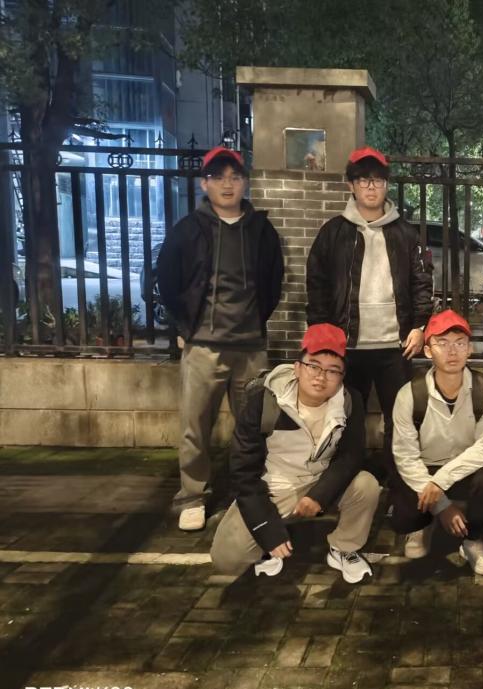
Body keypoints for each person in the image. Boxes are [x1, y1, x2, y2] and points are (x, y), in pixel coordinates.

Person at [156, 146, 284, 532]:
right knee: (196, 425)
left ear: (245, 182)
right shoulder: (188, 230)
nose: (227, 184)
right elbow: (167, 281)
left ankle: (250, 491)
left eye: (235, 177)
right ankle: (192, 496)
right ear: (204, 183)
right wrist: (185, 327)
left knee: (255, 425)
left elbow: (273, 280)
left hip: (250, 346)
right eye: (218, 177)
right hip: (204, 345)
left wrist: (256, 321)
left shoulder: (261, 230)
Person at [210, 323, 380, 583]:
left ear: (342, 376)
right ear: (297, 368)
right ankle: (269, 547)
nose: (321, 377)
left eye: (332, 370)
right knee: (227, 559)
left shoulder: (349, 400)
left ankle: (343, 547)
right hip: (275, 486)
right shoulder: (264, 400)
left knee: (366, 485)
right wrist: (267, 529)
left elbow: (351, 456)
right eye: (314, 366)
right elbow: (243, 471)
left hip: (321, 479)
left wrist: (319, 495)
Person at [305, 146, 433, 479]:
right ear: (351, 185)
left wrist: (419, 326)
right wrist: (322, 337)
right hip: (347, 345)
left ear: (386, 185)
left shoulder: (406, 233)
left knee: (400, 418)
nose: (371, 187)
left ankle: (397, 481)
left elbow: (422, 282)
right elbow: (317, 286)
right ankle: (348, 479)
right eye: (363, 180)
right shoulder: (334, 233)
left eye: (377, 180)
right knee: (346, 415)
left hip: (396, 345)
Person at [390, 309, 483, 575]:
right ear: (428, 351)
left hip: (464, 470)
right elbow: (405, 456)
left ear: (470, 350)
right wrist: (442, 507)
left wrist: (440, 483)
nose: (452, 351)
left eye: (460, 343)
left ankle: (473, 539)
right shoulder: (410, 394)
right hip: (425, 472)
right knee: (403, 514)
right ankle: (423, 525)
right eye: (442, 343)